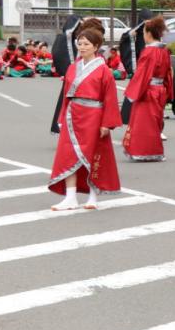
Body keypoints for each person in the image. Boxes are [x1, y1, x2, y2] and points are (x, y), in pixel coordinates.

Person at [48, 25, 122, 211]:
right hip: (73, 115)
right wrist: (62, 117)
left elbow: (110, 98)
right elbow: (66, 95)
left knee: (94, 155)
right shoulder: (73, 68)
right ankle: (70, 196)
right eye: (79, 43)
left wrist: (107, 123)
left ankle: (93, 195)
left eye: (86, 44)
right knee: (68, 155)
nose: (81, 47)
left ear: (96, 46)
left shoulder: (104, 70)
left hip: (94, 116)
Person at [122, 16, 173, 162]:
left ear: (149, 34)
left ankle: (143, 151)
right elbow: (169, 73)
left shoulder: (149, 51)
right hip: (159, 89)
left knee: (143, 123)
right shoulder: (164, 50)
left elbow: (142, 74)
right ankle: (154, 151)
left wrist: (132, 93)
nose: (143, 36)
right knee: (154, 123)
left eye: (144, 32)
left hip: (148, 90)